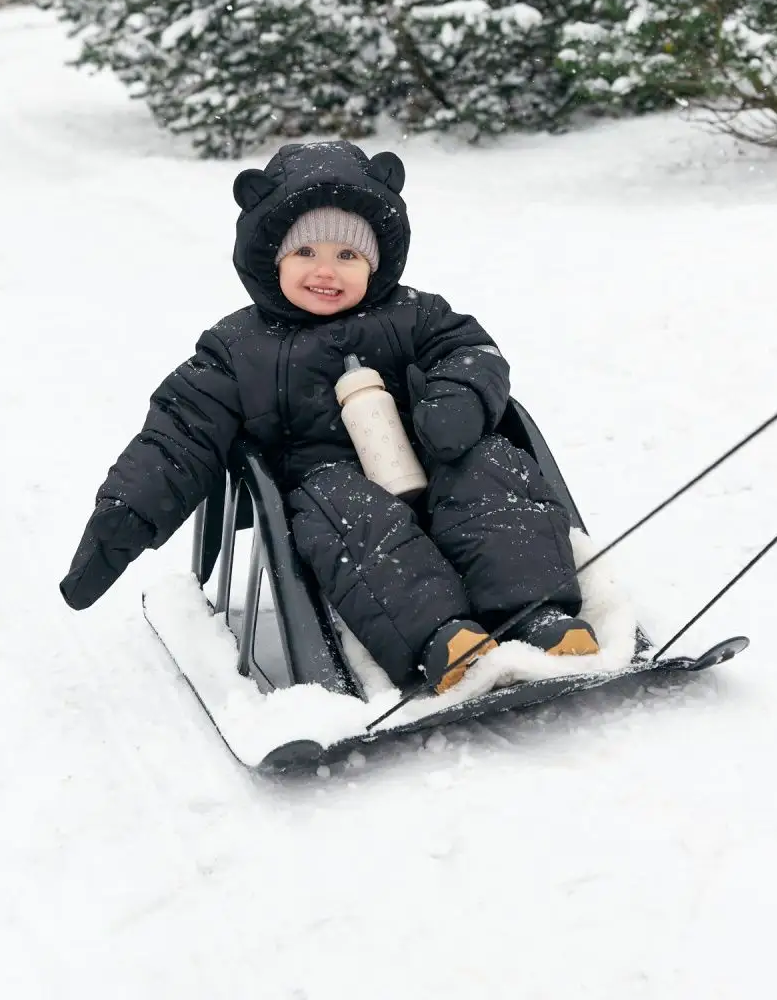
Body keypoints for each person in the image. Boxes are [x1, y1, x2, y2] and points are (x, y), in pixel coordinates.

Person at [60, 140, 599, 694]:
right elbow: (180, 432)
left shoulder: (416, 313)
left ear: (375, 261)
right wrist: (125, 515)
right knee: (347, 510)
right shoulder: (238, 346)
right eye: (305, 254)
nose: (326, 271)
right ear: (273, 258)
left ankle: (539, 615)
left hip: (431, 459)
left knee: (489, 463)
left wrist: (457, 399)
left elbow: (473, 353)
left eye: (348, 256)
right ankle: (443, 637)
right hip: (329, 490)